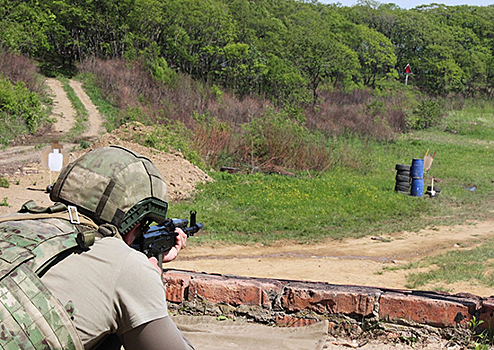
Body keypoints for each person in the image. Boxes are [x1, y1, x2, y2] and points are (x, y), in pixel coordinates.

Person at [0, 145, 194, 350]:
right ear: (134, 222)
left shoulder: (10, 222)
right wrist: (151, 279)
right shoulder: (126, 266)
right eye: (142, 228)